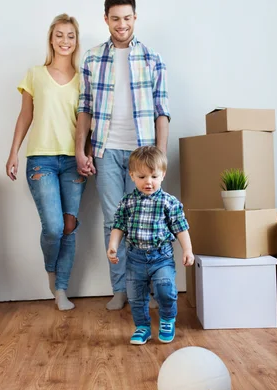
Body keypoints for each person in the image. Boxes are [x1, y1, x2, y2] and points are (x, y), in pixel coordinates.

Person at [75, 0, 171, 311]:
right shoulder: (91, 58)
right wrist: (81, 149)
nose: (122, 24)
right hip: (105, 150)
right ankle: (120, 289)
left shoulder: (152, 58)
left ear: (135, 17)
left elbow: (162, 111)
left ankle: (146, 291)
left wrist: (160, 156)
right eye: (115, 18)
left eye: (127, 18)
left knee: (147, 222)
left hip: (143, 152)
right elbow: (85, 109)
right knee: (112, 221)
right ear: (106, 19)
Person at [6, 13, 85, 311]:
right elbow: (25, 115)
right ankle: (51, 270)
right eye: (60, 35)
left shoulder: (82, 79)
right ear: (51, 39)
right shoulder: (34, 74)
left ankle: (61, 288)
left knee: (68, 225)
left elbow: (84, 122)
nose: (65, 41)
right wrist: (13, 152)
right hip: (41, 159)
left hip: (73, 161)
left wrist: (86, 154)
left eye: (71, 36)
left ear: (76, 41)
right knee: (52, 227)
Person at [107, 146, 194, 344]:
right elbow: (118, 226)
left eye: (154, 176)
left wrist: (187, 250)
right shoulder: (127, 202)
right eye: (142, 176)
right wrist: (113, 245)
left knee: (165, 289)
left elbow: (180, 227)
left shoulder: (169, 202)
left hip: (161, 257)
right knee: (136, 297)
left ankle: (167, 319)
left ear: (162, 175)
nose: (148, 182)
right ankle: (142, 327)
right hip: (135, 258)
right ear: (132, 176)